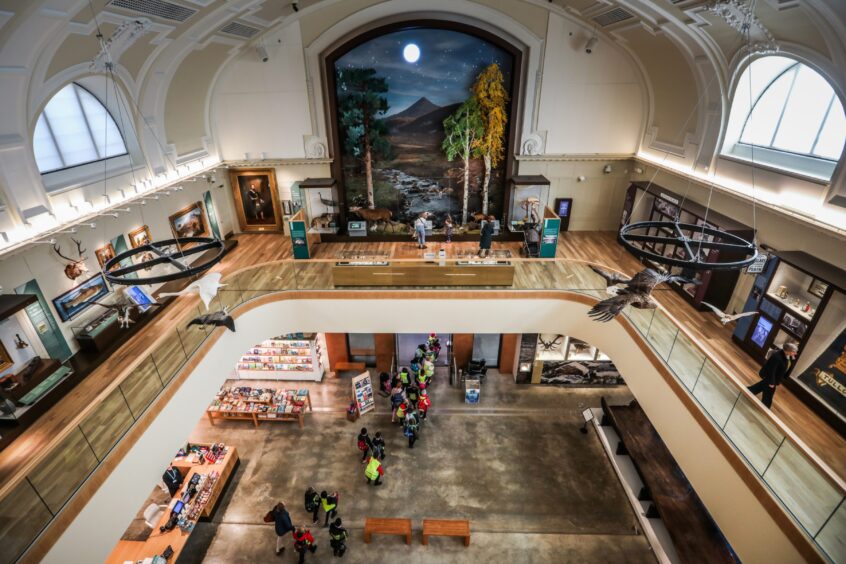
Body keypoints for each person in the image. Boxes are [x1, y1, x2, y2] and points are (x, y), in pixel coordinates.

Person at [748, 343, 798, 408]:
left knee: (760, 386)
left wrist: (792, 357)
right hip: (771, 378)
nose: (795, 353)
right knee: (768, 395)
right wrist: (771, 382)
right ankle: (765, 408)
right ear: (788, 351)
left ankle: (748, 391)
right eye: (794, 352)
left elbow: (787, 366)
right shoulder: (777, 357)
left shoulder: (787, 356)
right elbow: (772, 371)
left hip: (773, 379)